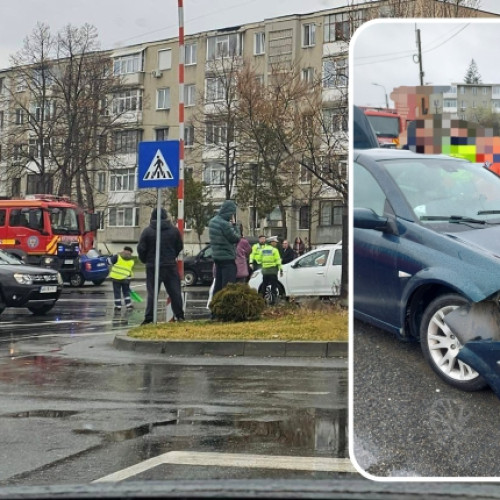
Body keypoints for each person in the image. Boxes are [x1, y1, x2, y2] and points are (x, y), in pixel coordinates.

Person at [137, 208, 184, 325]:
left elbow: (141, 249)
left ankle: (149, 318)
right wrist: (172, 255)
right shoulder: (174, 231)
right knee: (175, 292)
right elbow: (179, 246)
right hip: (170, 265)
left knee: (152, 293)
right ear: (165, 217)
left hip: (153, 266)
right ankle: (180, 316)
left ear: (152, 217)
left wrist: (146, 260)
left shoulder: (147, 231)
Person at [208, 200, 241, 296]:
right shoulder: (225, 224)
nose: (232, 215)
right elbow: (235, 238)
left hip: (217, 258)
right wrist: (235, 225)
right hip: (227, 259)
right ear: (229, 212)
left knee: (218, 285)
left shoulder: (212, 221)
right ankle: (225, 308)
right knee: (228, 288)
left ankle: (215, 307)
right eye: (232, 213)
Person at [108, 246, 135, 311]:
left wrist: (110, 257)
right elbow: (129, 270)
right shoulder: (131, 261)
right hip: (126, 279)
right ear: (130, 253)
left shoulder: (117, 256)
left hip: (116, 278)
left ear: (124, 250)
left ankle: (118, 306)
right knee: (126, 292)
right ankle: (128, 306)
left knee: (117, 292)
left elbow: (108, 262)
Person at [260, 236, 283, 305]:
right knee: (274, 286)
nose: (276, 243)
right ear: (271, 242)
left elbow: (259, 260)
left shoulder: (262, 250)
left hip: (265, 271)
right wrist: (281, 269)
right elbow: (278, 261)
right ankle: (274, 301)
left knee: (264, 285)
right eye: (275, 242)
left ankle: (261, 301)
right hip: (273, 271)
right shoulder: (274, 250)